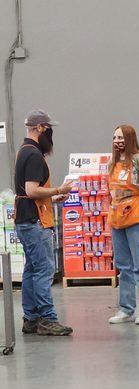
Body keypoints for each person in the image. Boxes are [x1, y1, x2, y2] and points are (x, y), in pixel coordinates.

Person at [15, 110, 74, 336]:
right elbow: (31, 190)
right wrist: (59, 189)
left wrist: (52, 198)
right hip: (35, 221)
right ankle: (47, 319)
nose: (50, 133)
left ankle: (30, 318)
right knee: (43, 270)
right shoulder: (34, 155)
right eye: (48, 128)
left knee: (31, 269)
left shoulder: (23, 151)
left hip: (25, 219)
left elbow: (27, 191)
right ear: (40, 128)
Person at [108, 125, 139, 324]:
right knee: (123, 265)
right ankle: (126, 308)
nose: (117, 141)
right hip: (117, 217)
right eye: (114, 137)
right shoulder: (112, 162)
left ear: (129, 138)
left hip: (137, 215)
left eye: (120, 137)